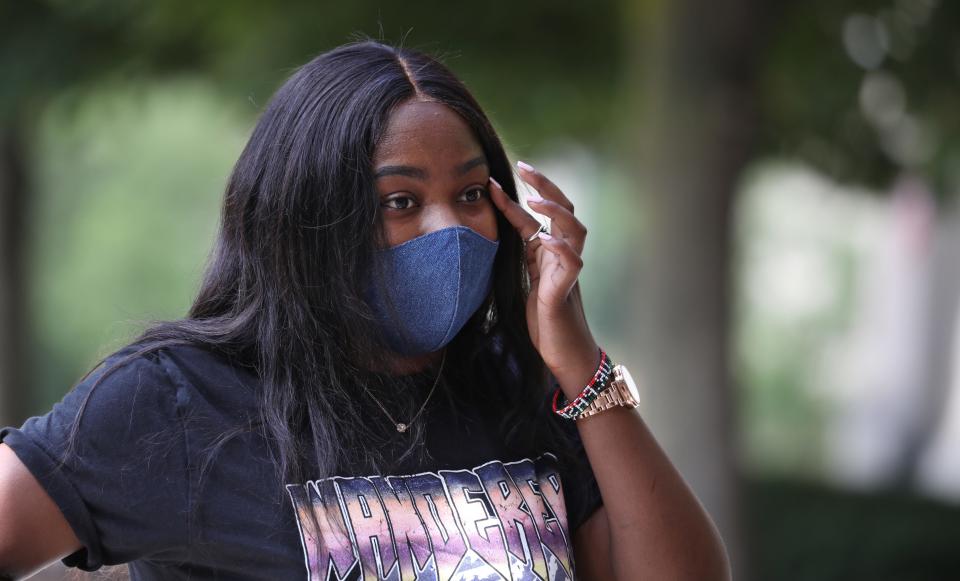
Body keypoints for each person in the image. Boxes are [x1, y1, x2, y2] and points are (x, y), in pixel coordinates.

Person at [0, 39, 730, 580]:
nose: (448, 229)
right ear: (307, 217)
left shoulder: (523, 388)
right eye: (401, 201)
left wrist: (580, 365)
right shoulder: (179, 400)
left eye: (472, 193)